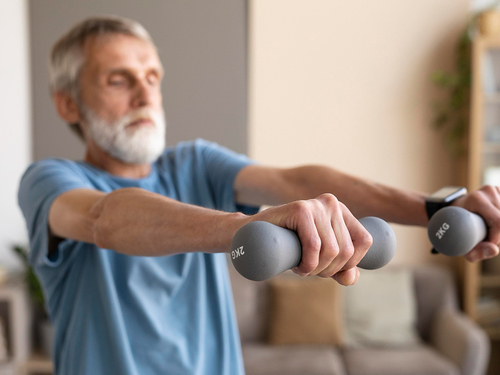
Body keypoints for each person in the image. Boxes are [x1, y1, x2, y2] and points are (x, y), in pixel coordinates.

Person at [18, 15, 500, 375]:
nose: (145, 96)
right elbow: (103, 218)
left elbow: (294, 182)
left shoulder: (194, 164)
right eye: (119, 80)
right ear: (68, 102)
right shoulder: (49, 180)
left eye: (152, 78)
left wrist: (438, 208)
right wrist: (243, 230)